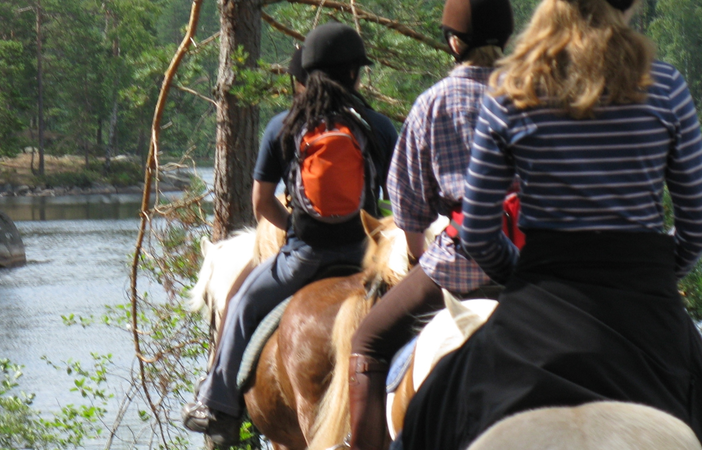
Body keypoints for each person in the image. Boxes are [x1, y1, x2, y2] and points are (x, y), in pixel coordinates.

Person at [397, 0, 702, 448]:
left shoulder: (512, 89)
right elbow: (695, 226)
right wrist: (651, 274)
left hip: (540, 295)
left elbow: (479, 233)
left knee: (425, 413)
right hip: (646, 302)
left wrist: (520, 273)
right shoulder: (667, 87)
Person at [182, 23, 398, 446]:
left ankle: (219, 406)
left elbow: (262, 203)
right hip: (365, 257)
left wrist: (295, 227)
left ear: (308, 76)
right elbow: (404, 203)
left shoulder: (284, 126)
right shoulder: (377, 127)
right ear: (354, 75)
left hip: (302, 258)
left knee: (240, 303)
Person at [344, 0, 514, 449]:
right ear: (508, 36)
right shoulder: (538, 99)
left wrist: (424, 257)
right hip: (530, 266)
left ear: (454, 42)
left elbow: (408, 210)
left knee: (367, 341)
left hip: (458, 264)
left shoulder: (432, 104)